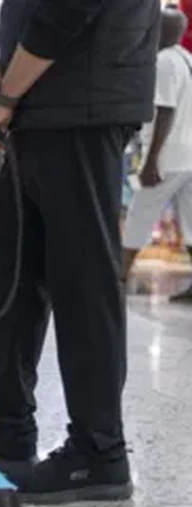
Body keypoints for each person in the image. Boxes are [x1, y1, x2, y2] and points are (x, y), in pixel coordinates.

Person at [0, 0, 160, 504]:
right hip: (44, 104)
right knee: (11, 268)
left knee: (82, 279)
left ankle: (99, 452)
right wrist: (2, 91)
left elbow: (68, 7)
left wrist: (7, 92)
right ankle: (9, 432)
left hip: (81, 102)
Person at [121, 8, 192, 303]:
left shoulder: (163, 62)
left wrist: (151, 160)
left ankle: (120, 276)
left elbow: (165, 111)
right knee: (191, 220)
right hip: (188, 156)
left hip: (167, 158)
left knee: (140, 213)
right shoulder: (187, 59)